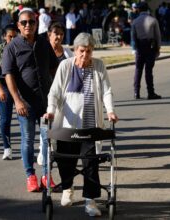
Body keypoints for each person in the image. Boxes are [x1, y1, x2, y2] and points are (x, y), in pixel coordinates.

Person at [44, 32, 118, 217]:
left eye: (89, 51)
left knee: (90, 163)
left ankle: (90, 201)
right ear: (75, 50)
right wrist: (51, 110)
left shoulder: (98, 66)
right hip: (66, 124)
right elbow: (54, 92)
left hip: (90, 125)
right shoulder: (65, 65)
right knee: (64, 160)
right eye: (82, 51)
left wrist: (110, 110)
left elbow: (107, 91)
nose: (85, 55)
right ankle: (67, 188)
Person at [1, 8, 59, 192]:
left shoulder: (43, 43)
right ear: (18, 25)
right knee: (27, 140)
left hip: (45, 103)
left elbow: (53, 69)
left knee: (46, 140)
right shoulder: (12, 47)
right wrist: (17, 101)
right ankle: (30, 176)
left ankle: (46, 175)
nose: (28, 25)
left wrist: (55, 93)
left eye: (31, 22)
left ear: (36, 23)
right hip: (25, 104)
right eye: (24, 22)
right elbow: (8, 75)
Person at [37, 21, 73, 166]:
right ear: (49, 35)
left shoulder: (67, 53)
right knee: (46, 124)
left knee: (61, 125)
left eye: (61, 34)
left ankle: (58, 152)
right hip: (46, 94)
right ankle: (43, 150)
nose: (58, 37)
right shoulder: (43, 51)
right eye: (55, 33)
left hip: (63, 95)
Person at [0, 24, 18, 160]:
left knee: (24, 117)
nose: (12, 39)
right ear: (4, 37)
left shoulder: (21, 47)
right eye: (9, 37)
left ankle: (27, 147)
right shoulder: (0, 49)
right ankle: (7, 147)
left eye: (14, 36)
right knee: (5, 118)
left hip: (18, 85)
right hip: (3, 85)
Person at [131, 2, 162, 100]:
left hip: (139, 47)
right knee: (148, 71)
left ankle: (136, 92)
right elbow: (157, 36)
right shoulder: (153, 20)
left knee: (138, 70)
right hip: (150, 47)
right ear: (147, 9)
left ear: (139, 10)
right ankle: (150, 92)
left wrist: (134, 49)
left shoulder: (135, 21)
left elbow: (133, 37)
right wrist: (158, 48)